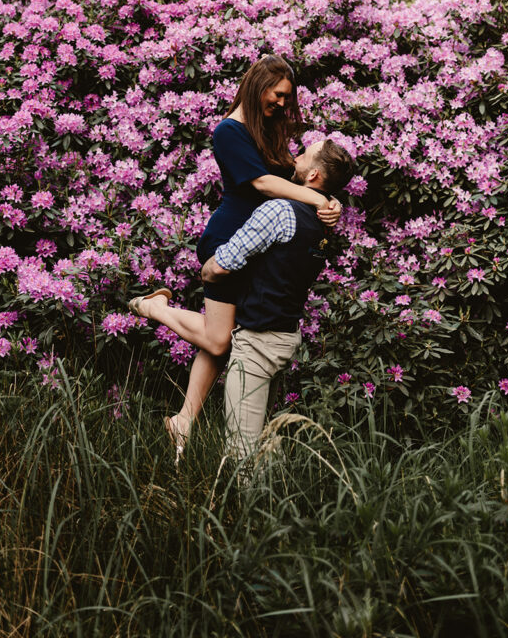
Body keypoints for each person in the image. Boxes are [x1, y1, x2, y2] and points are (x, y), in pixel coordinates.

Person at [128, 54, 342, 456]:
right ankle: (154, 307)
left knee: (220, 341)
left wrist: (329, 202)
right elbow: (262, 184)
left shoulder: (271, 131)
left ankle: (184, 422)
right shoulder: (229, 132)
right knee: (218, 338)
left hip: (259, 247)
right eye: (278, 95)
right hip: (229, 242)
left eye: (287, 98)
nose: (282, 104)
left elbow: (296, 176)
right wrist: (318, 197)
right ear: (259, 83)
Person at [200, 138, 355, 459]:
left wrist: (209, 270)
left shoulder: (279, 211)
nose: (294, 159)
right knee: (260, 441)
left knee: (241, 452)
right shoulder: (323, 222)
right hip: (285, 338)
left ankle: (246, 504)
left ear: (313, 176)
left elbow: (225, 262)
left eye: (302, 156)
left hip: (257, 342)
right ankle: (269, 496)